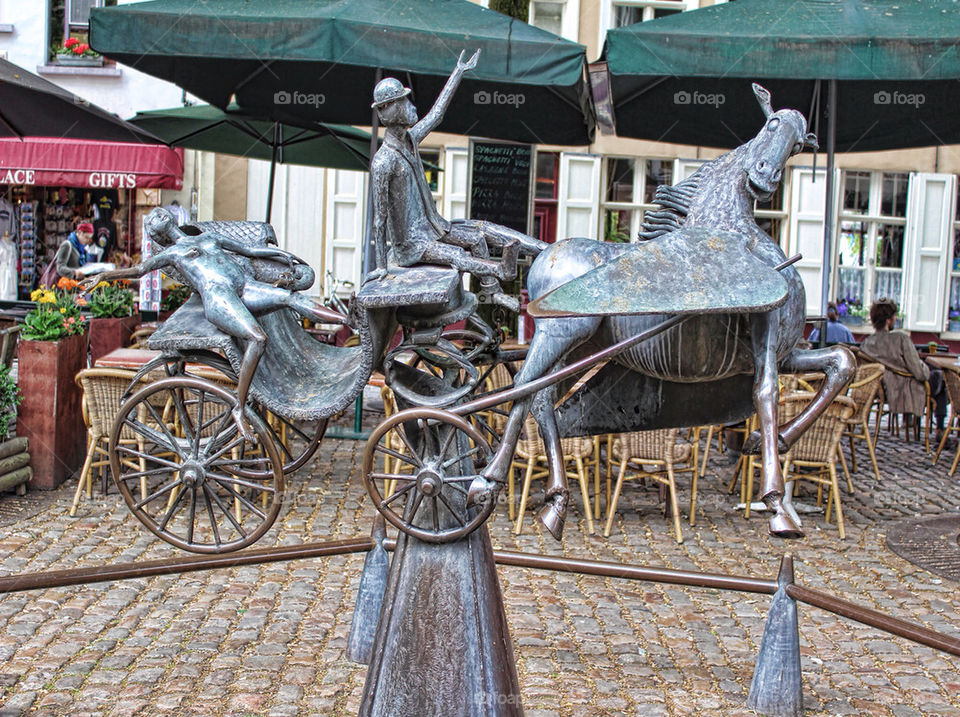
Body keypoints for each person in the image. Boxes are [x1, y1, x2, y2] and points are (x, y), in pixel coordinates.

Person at [80, 208, 348, 437]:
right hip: (218, 296)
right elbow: (138, 270)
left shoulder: (208, 237)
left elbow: (249, 249)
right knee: (258, 339)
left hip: (245, 286)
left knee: (290, 298)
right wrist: (104, 277)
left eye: (160, 214)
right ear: (158, 235)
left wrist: (283, 256)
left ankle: (349, 320)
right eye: (152, 218)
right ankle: (239, 408)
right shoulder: (172, 253)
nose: (157, 215)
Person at [367, 49, 546, 312]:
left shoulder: (411, 141)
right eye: (405, 102)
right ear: (387, 110)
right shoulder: (384, 162)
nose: (412, 107)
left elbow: (436, 115)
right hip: (413, 247)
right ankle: (501, 270)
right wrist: (381, 266)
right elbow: (379, 219)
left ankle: (515, 272)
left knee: (479, 235)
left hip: (435, 228)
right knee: (456, 256)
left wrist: (458, 73)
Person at [859, 299, 949, 443]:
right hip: (905, 387)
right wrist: (924, 366)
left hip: (882, 388)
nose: (896, 319)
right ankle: (940, 427)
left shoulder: (867, 343)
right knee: (941, 377)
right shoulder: (900, 339)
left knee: (938, 380)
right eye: (895, 316)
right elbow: (920, 373)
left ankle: (932, 424)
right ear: (888, 320)